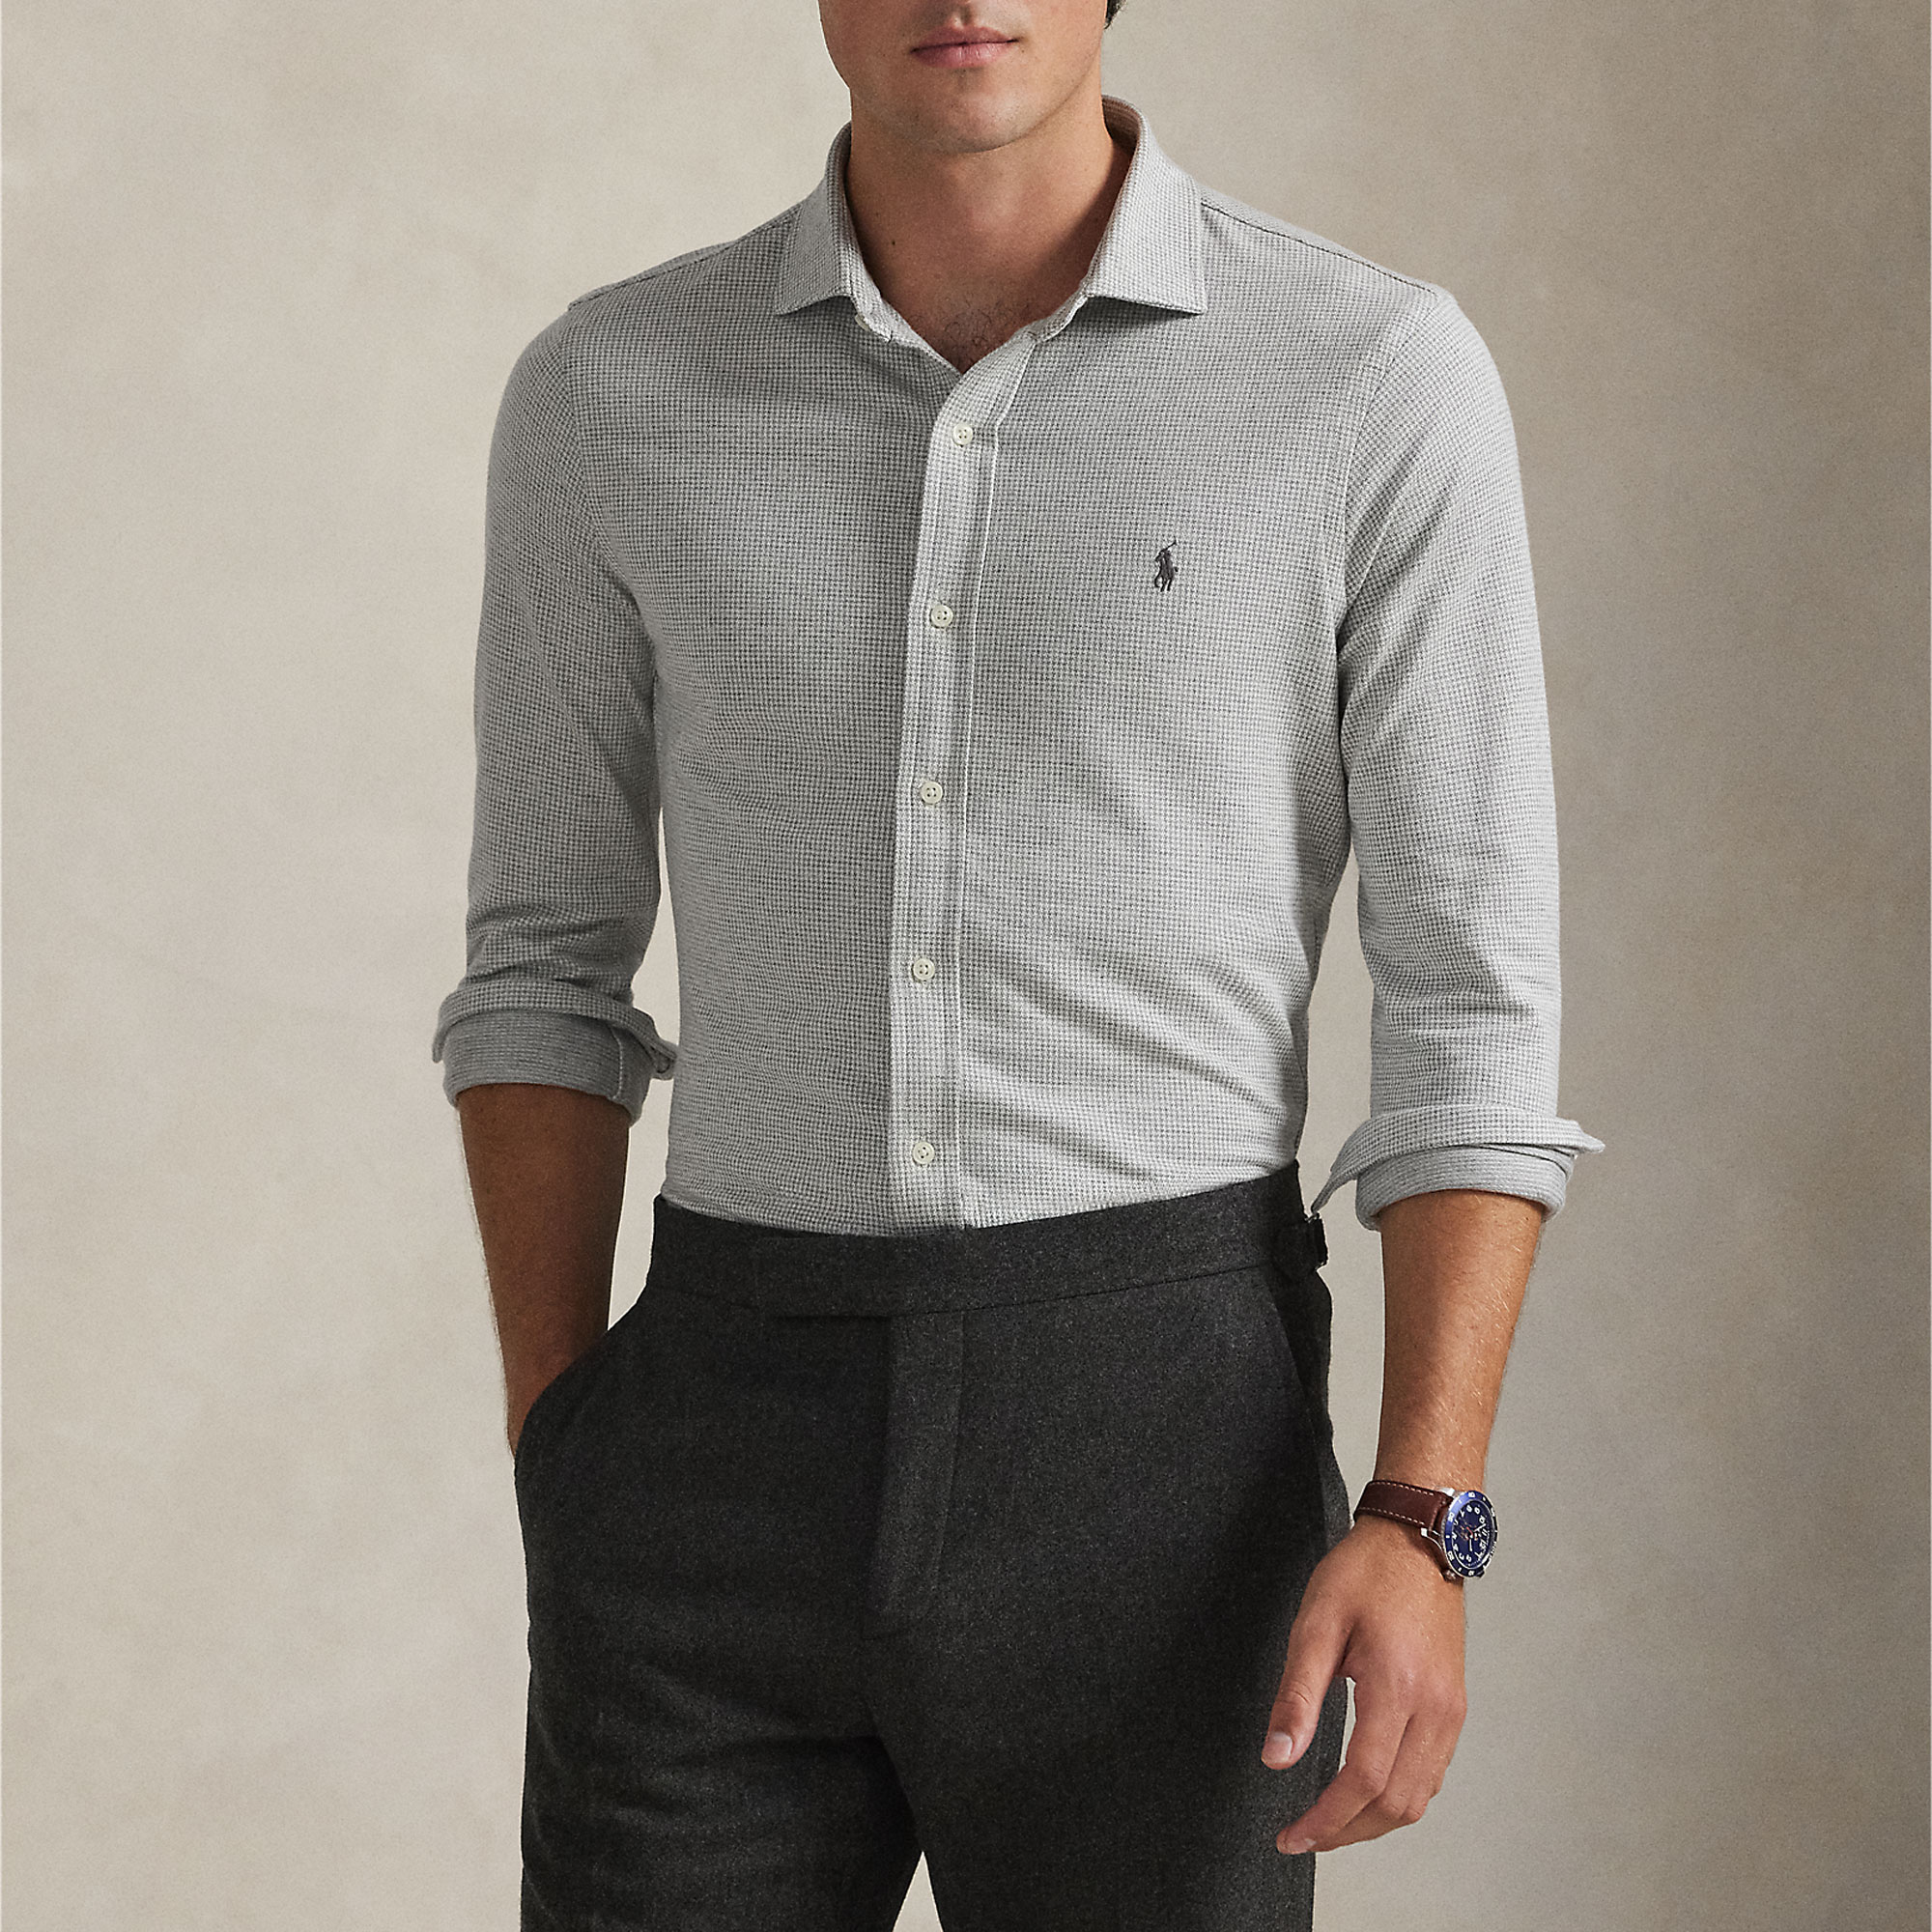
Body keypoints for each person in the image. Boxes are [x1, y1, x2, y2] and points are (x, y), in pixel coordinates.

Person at [431, 1, 1601, 1925]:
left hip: (1162, 1451)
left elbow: (1469, 997)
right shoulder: (609, 389)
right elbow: (542, 963)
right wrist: (564, 1443)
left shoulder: (1366, 375)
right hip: (711, 1442)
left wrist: (1422, 1510)